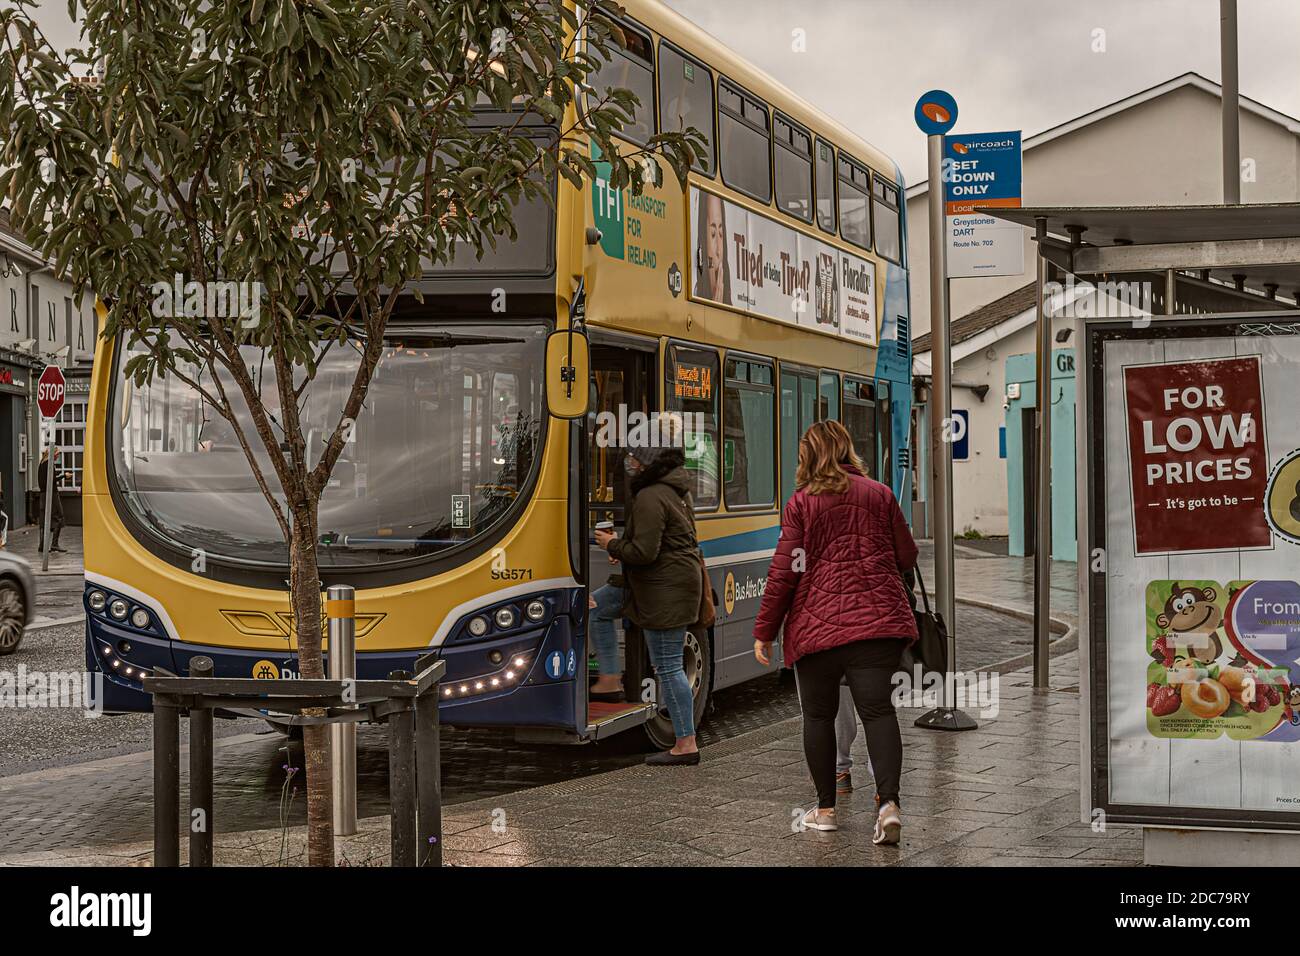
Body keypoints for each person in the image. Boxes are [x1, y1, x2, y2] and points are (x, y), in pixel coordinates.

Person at [753, 420, 918, 843]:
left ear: (808, 455)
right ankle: (888, 806)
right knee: (878, 712)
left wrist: (765, 630)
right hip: (877, 625)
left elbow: (784, 571)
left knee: (819, 716)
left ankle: (825, 810)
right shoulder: (880, 494)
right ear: (847, 449)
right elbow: (907, 554)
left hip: (816, 629)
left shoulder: (801, 503)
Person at [594, 414, 702, 766]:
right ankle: (609, 679)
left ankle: (685, 743)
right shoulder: (674, 490)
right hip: (665, 585)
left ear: (648, 459)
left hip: (662, 589)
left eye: (635, 456)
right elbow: (656, 542)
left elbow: (645, 552)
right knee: (596, 607)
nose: (629, 461)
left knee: (668, 665)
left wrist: (613, 545)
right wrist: (623, 545)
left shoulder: (651, 495)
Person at [37, 446, 66, 553]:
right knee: (59, 516)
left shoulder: (41, 463)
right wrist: (64, 476)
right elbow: (52, 480)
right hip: (51, 494)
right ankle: (54, 544)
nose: (58, 456)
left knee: (45, 519)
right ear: (53, 454)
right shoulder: (49, 464)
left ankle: (42, 545)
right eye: (57, 454)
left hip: (43, 495)